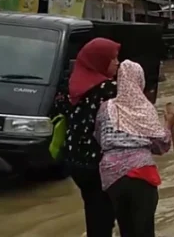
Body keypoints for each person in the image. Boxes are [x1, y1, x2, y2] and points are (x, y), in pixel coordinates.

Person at [95, 60, 174, 237]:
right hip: (141, 174)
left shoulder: (105, 108)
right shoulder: (144, 108)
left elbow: (100, 138)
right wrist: (168, 125)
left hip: (111, 176)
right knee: (144, 229)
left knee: (126, 229)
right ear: (140, 80)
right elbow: (161, 144)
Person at [58, 37, 120, 237]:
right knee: (103, 213)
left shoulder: (72, 85)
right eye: (113, 59)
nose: (117, 63)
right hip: (96, 162)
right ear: (100, 61)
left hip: (74, 159)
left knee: (93, 207)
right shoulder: (107, 90)